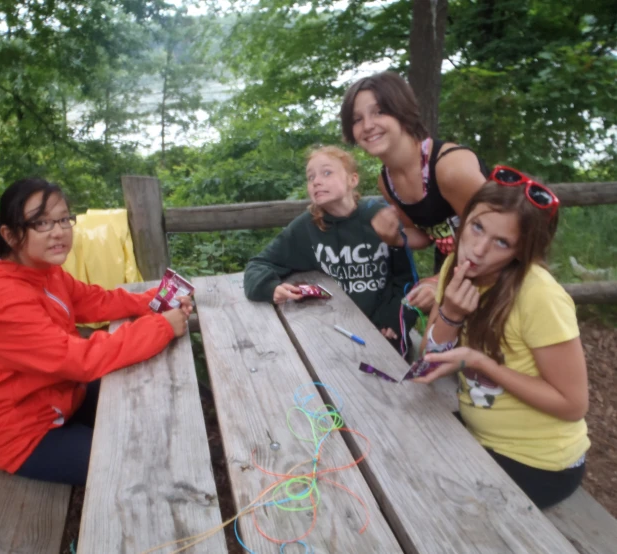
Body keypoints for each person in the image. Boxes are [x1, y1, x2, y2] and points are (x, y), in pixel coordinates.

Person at [0, 178, 191, 486]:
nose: (59, 231)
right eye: (42, 223)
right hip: (25, 433)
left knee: (151, 396)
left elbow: (95, 301)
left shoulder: (41, 270)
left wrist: (152, 302)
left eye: (63, 219)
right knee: (135, 461)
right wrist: (161, 326)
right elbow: (79, 359)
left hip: (61, 394)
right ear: (9, 235)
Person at [415, 167, 589, 509]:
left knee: (429, 503)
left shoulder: (539, 296)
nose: (477, 251)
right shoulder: (455, 265)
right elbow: (428, 362)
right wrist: (450, 311)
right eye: (477, 227)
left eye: (502, 242)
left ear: (521, 252)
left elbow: (573, 405)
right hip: (478, 434)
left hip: (538, 462)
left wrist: (481, 363)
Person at [243, 146, 417, 354]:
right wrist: (270, 288)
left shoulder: (379, 217)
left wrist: (395, 318)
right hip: (334, 334)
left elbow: (408, 279)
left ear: (353, 179)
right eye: (310, 177)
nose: (316, 181)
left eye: (327, 172)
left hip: (384, 333)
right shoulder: (306, 227)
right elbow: (259, 264)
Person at [340, 71, 489, 312]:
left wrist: (442, 281)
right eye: (357, 119)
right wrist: (396, 238)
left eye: (380, 112)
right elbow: (430, 235)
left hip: (499, 281)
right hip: (456, 279)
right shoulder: (387, 182)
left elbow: (499, 242)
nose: (368, 125)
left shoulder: (450, 168)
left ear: (402, 112)